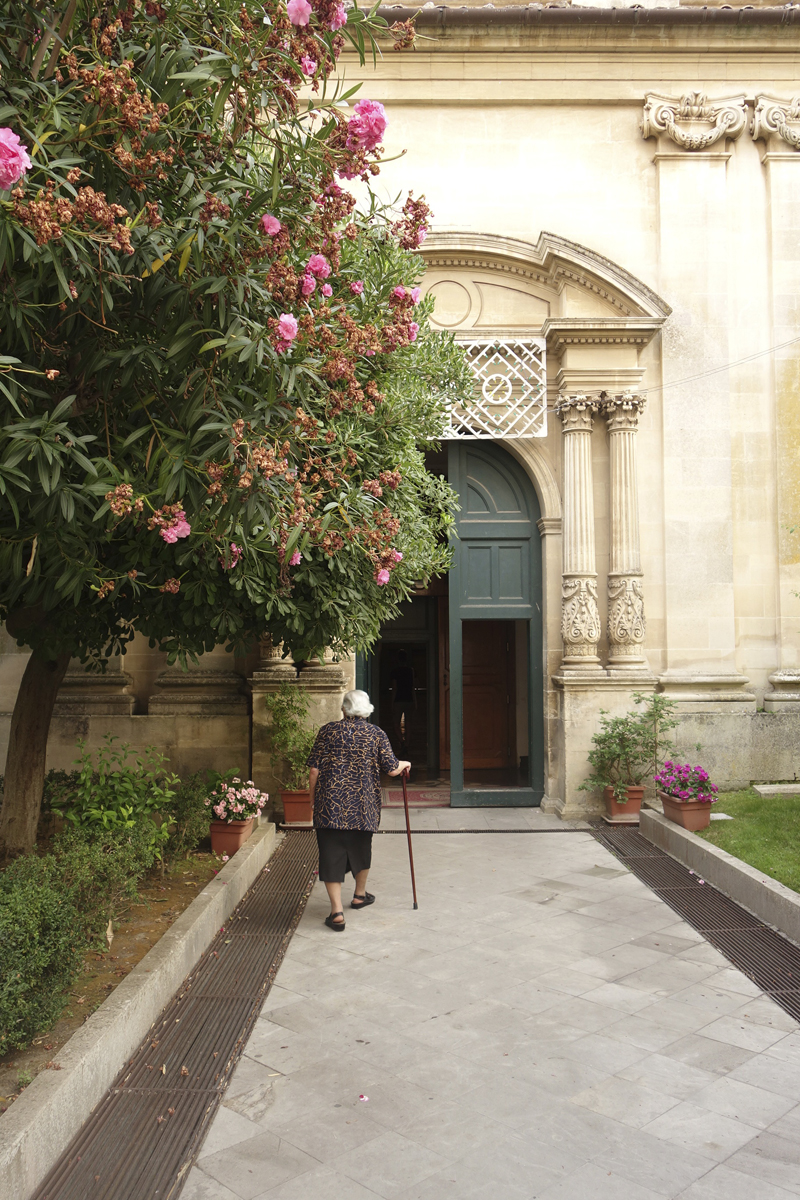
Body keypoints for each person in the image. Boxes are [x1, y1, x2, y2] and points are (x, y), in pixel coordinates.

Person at [308, 688, 410, 931]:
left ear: (344, 708)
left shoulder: (328, 731)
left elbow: (314, 770)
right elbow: (392, 769)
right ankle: (359, 895)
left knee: (330, 855)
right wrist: (405, 763)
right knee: (361, 848)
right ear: (367, 710)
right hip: (363, 807)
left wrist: (313, 800)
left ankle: (336, 913)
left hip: (329, 806)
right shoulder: (376, 734)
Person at [389, 648, 416, 753]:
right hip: (409, 699)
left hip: (398, 699)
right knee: (409, 723)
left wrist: (392, 702)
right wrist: (415, 701)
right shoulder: (410, 670)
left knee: (395, 723)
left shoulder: (395, 671)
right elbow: (413, 687)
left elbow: (394, 688)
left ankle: (402, 742)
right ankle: (407, 744)